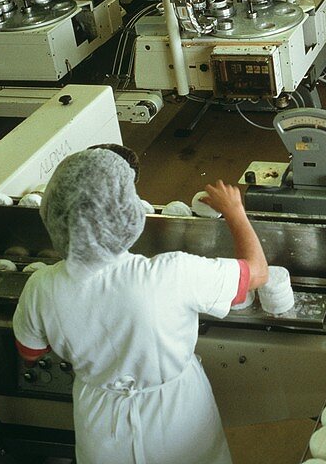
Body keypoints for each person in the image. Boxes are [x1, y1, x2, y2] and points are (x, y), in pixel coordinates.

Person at [13, 148, 269, 464]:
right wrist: (234, 211)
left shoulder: (41, 287)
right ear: (126, 211)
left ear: (54, 212)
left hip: (103, 429)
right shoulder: (170, 274)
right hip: (178, 419)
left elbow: (30, 353)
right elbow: (256, 272)